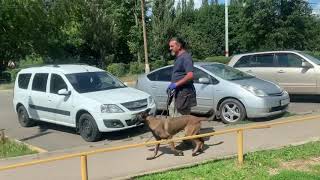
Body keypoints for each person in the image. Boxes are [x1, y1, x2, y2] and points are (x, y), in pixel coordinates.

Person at [167, 37, 197, 117]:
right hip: (177, 93)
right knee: (173, 114)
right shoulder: (178, 58)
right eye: (170, 46)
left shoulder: (186, 57)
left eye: (172, 46)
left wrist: (176, 84)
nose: (170, 48)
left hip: (184, 93)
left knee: (181, 120)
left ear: (179, 46)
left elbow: (190, 75)